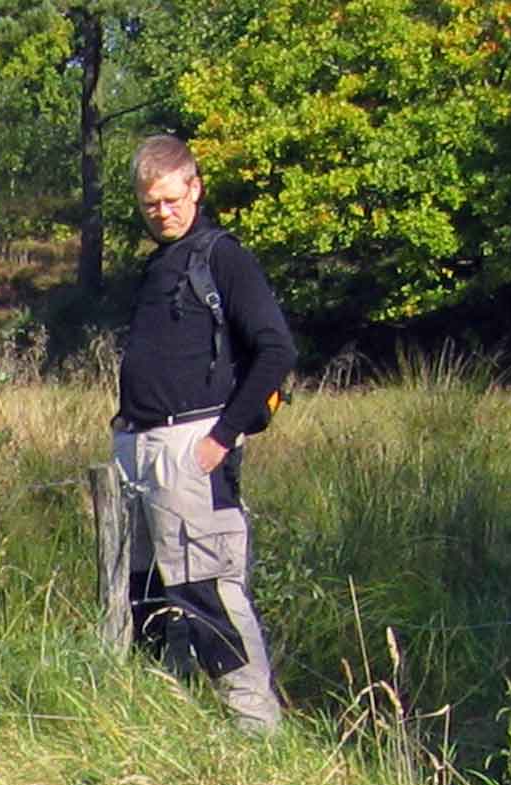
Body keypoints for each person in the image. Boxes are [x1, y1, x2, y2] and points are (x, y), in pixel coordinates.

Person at [113, 135, 297, 733]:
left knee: (207, 590)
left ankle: (256, 731)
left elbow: (276, 350)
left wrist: (219, 440)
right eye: (151, 204)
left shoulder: (223, 256)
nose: (162, 212)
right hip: (139, 447)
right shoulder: (157, 264)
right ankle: (162, 719)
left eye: (172, 199)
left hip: (191, 450)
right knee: (143, 594)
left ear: (195, 187)